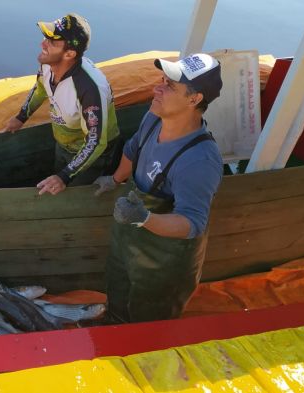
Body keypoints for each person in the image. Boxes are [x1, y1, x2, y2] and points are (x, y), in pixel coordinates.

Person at [93, 53, 224, 323]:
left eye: (170, 86)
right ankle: (114, 324)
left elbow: (191, 223)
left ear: (194, 99)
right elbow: (133, 149)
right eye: (162, 80)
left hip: (164, 263)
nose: (157, 88)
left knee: (149, 322)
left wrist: (144, 218)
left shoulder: (199, 160)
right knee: (117, 293)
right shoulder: (154, 116)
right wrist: (115, 179)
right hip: (128, 243)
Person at [5, 13, 120, 195]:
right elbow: (40, 88)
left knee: (74, 197)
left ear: (69, 53)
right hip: (63, 142)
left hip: (93, 154)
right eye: (46, 38)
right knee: (55, 184)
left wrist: (65, 176)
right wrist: (21, 117)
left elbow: (96, 142)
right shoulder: (48, 65)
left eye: (52, 42)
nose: (43, 44)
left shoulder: (89, 88)